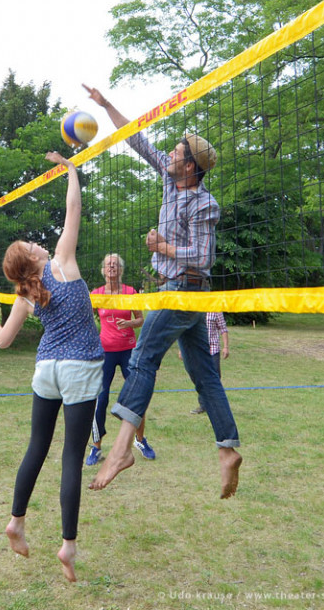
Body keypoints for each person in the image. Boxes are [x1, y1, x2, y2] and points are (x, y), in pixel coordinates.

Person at [84, 84, 243, 499]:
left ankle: (120, 451)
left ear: (191, 166)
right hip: (183, 294)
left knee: (141, 357)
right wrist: (106, 106)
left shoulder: (204, 203)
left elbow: (204, 256)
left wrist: (162, 247)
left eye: (176, 153)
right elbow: (137, 138)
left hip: (185, 292)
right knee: (205, 376)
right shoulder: (171, 184)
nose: (169, 155)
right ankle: (227, 448)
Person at [0, 151, 103, 582]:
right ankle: (67, 546)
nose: (37, 242)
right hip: (78, 368)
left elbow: (2, 340)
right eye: (31, 245)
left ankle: (16, 520)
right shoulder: (61, 264)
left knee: (37, 447)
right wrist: (71, 169)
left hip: (45, 368)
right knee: (71, 455)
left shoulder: (25, 293)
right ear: (33, 259)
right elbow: (73, 209)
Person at [88, 253, 148, 466]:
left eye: (115, 265)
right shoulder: (96, 294)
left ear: (120, 270)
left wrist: (130, 323)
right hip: (105, 352)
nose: (111, 267)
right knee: (100, 399)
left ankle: (140, 440)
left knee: (137, 396)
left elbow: (140, 319)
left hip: (128, 351)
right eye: (108, 265)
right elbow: (86, 317)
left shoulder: (130, 292)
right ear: (103, 271)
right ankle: (96, 447)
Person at [183, 312, 229, 414]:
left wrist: (226, 347)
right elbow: (187, 330)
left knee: (215, 378)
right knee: (200, 377)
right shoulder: (197, 310)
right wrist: (182, 349)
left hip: (213, 350)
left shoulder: (216, 310)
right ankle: (203, 405)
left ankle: (218, 406)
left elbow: (223, 329)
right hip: (200, 350)